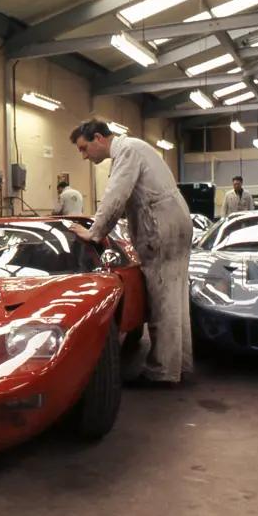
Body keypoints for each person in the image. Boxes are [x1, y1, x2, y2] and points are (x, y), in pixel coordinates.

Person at [67, 119, 193, 386]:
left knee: (163, 299)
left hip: (162, 226)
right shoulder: (133, 148)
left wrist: (95, 232)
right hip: (174, 221)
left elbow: (116, 195)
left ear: (98, 138)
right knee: (175, 295)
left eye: (84, 148)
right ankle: (179, 364)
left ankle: (162, 372)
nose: (84, 156)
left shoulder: (127, 152)